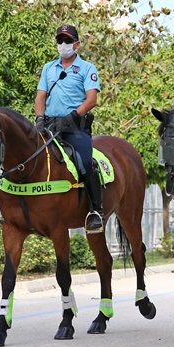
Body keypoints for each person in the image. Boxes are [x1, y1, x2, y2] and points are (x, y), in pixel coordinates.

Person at [35, 24, 104, 233]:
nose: (63, 45)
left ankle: (96, 211)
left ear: (76, 44)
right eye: (59, 41)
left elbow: (92, 100)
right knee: (28, 156)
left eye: (67, 41)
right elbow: (40, 96)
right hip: (48, 125)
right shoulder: (49, 68)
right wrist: (39, 118)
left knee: (84, 161)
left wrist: (71, 117)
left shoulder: (87, 69)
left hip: (75, 127)